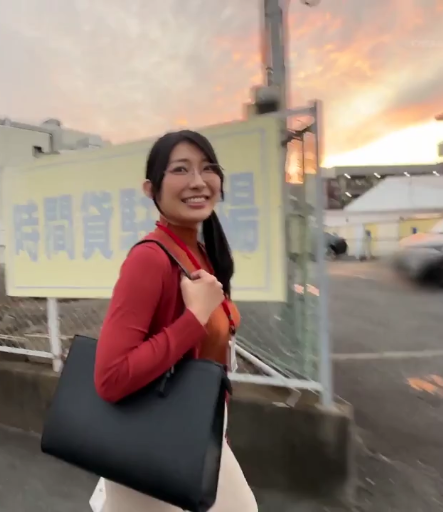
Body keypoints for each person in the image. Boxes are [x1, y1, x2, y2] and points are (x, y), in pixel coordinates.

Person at [93, 130, 258, 512]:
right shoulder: (149, 259)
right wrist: (194, 318)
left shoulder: (200, 252)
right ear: (151, 188)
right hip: (150, 445)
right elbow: (111, 378)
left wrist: (215, 424)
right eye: (181, 169)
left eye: (207, 168)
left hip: (198, 428)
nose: (198, 181)